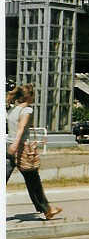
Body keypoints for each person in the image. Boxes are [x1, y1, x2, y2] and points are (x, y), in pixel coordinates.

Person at [6, 84, 62, 220]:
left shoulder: (12, 110)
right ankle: (47, 210)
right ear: (29, 96)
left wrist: (12, 144)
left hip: (7, 146)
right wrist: (16, 144)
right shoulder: (27, 110)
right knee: (33, 181)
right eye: (33, 94)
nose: (35, 97)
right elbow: (21, 128)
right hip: (20, 149)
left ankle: (47, 209)